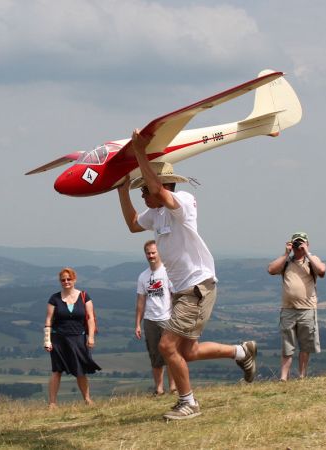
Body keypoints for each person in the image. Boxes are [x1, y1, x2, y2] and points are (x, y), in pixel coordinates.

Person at [117, 129, 257, 421]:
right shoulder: (154, 214)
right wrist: (121, 189)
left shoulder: (184, 202)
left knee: (167, 346)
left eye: (142, 189)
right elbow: (132, 224)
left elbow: (157, 193)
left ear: (162, 184)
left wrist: (140, 151)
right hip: (183, 290)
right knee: (188, 352)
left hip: (197, 288)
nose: (142, 194)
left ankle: (188, 403)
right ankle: (241, 352)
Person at [267, 232, 326, 381]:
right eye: (296, 244)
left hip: (307, 309)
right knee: (287, 345)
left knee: (306, 346)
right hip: (288, 309)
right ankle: (283, 377)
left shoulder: (311, 260)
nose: (298, 247)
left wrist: (307, 252)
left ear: (307, 244)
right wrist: (285, 254)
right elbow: (271, 270)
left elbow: (322, 271)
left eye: (301, 244)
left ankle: (301, 375)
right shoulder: (287, 261)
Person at [44, 267, 101, 408]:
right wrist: (47, 340)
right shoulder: (54, 298)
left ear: (74, 279)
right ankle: (52, 403)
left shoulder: (84, 296)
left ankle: (87, 399)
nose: (66, 282)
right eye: (63, 279)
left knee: (80, 371)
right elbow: (48, 320)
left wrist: (91, 337)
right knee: (56, 371)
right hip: (59, 339)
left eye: (69, 279)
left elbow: (90, 319)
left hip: (78, 339)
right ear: (60, 281)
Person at [135, 240, 177, 396]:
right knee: (155, 355)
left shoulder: (167, 272)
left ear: (159, 253)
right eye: (148, 253)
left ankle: (173, 387)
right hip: (150, 320)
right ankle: (159, 389)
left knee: (171, 353)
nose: (151, 256)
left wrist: (176, 317)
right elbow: (140, 301)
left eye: (153, 252)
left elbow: (174, 295)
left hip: (167, 318)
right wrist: (137, 324)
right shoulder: (143, 276)